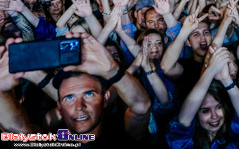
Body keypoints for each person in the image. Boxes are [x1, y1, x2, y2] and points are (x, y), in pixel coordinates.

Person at [0, 32, 151, 148]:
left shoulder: (118, 134)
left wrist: (112, 70)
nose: (80, 107)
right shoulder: (55, 139)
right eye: (69, 98)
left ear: (105, 98)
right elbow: (20, 133)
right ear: (59, 105)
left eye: (89, 94)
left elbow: (141, 106)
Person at [165, 45, 239, 148]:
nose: (214, 116)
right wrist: (210, 70)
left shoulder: (232, 135)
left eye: (219, 107)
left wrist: (226, 80)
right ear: (195, 113)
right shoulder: (187, 142)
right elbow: (182, 124)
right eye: (205, 111)